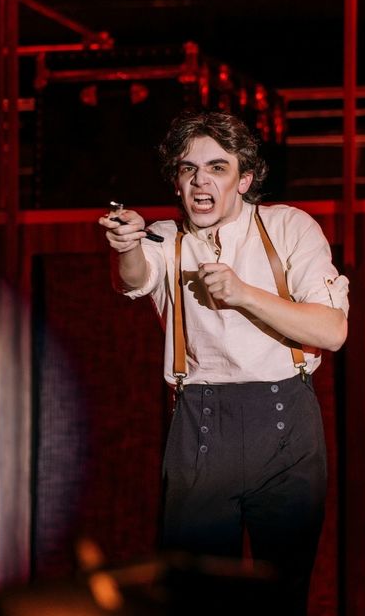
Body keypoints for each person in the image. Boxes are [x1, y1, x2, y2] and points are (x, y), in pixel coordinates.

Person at [97, 110, 349, 614]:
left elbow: (332, 331)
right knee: (197, 597)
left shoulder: (288, 226)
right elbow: (133, 277)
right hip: (201, 426)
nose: (201, 180)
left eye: (217, 167)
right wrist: (126, 244)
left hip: (285, 424)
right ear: (176, 179)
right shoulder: (165, 239)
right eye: (189, 169)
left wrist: (244, 295)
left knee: (281, 595)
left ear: (245, 179)